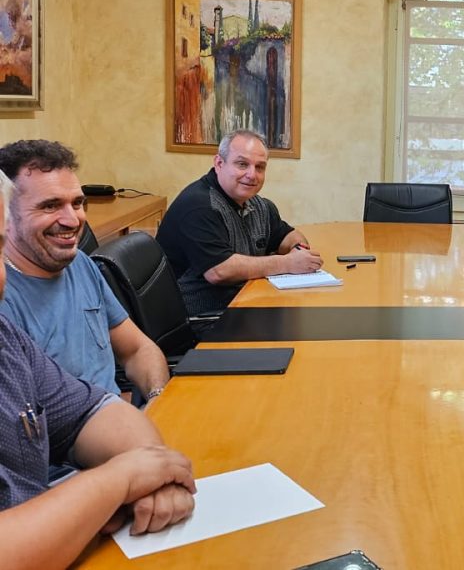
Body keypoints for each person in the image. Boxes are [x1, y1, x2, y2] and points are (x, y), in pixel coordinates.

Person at [0, 171, 196, 569]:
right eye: (50, 205)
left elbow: (92, 412)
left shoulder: (5, 341)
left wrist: (150, 469)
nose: (72, 219)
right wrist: (120, 480)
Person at [0, 140, 169, 403]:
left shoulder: (80, 263)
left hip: (119, 423)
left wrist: (158, 399)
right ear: (5, 215)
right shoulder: (6, 300)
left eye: (77, 203)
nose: (72, 220)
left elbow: (137, 350)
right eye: (50, 205)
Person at [156, 129, 323, 315]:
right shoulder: (198, 206)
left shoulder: (259, 205)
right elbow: (220, 271)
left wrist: (298, 249)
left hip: (243, 304)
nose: (252, 175)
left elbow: (288, 236)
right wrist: (288, 263)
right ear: (219, 163)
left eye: (260, 167)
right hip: (201, 320)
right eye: (242, 164)